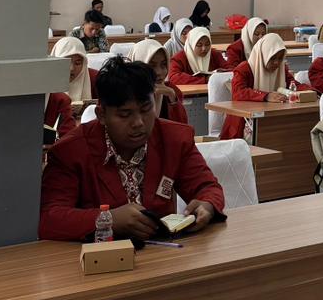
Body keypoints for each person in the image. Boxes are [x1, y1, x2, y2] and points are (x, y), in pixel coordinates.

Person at [39, 57, 225, 242]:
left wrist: (207, 204)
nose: (138, 123)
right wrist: (108, 219)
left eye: (146, 110)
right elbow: (49, 217)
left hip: (164, 253)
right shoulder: (71, 150)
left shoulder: (174, 139)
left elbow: (207, 187)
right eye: (125, 114)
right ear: (101, 115)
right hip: (99, 255)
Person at [219, 32, 312, 139]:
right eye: (272, 58)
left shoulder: (281, 68)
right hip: (242, 124)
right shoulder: (244, 69)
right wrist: (266, 96)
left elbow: (293, 84)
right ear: (263, 55)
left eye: (280, 58)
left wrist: (311, 92)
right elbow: (238, 92)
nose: (277, 63)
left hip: (272, 119)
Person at [131, 38, 188, 124]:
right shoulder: (128, 95)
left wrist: (173, 99)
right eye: (152, 66)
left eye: (163, 64)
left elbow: (182, 127)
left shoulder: (171, 90)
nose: (159, 72)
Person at [50, 36, 98, 115]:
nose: (72, 68)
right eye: (66, 63)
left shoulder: (95, 78)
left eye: (77, 63)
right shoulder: (44, 82)